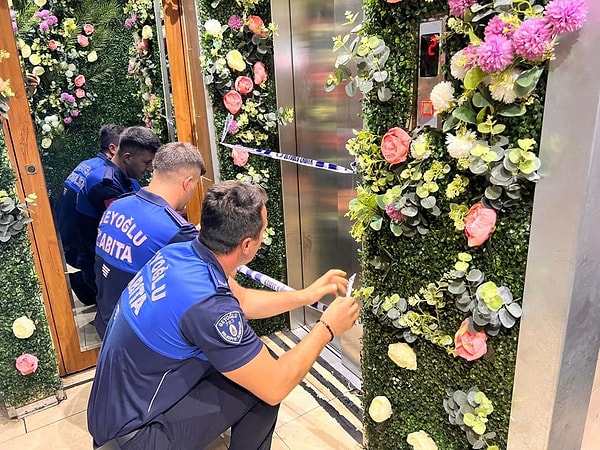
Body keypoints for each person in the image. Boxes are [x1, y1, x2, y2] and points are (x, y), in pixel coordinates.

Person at [87, 180, 359, 450]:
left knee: (246, 366)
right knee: (263, 390)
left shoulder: (179, 252)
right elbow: (275, 385)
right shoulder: (208, 306)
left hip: (110, 416)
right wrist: (327, 328)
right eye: (263, 231)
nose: (263, 238)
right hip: (134, 437)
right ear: (247, 244)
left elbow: (243, 300)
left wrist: (307, 295)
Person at [93, 142, 206, 339]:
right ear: (188, 183)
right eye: (196, 184)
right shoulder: (176, 230)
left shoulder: (117, 206)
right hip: (141, 338)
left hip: (107, 323)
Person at [75, 126, 161, 300]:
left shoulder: (124, 176)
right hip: (102, 267)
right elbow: (128, 226)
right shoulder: (104, 184)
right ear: (127, 158)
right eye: (146, 162)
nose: (150, 168)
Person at [53, 124, 124, 305]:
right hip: (83, 243)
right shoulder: (104, 176)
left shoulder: (86, 165)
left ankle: (83, 285)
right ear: (113, 148)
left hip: (67, 236)